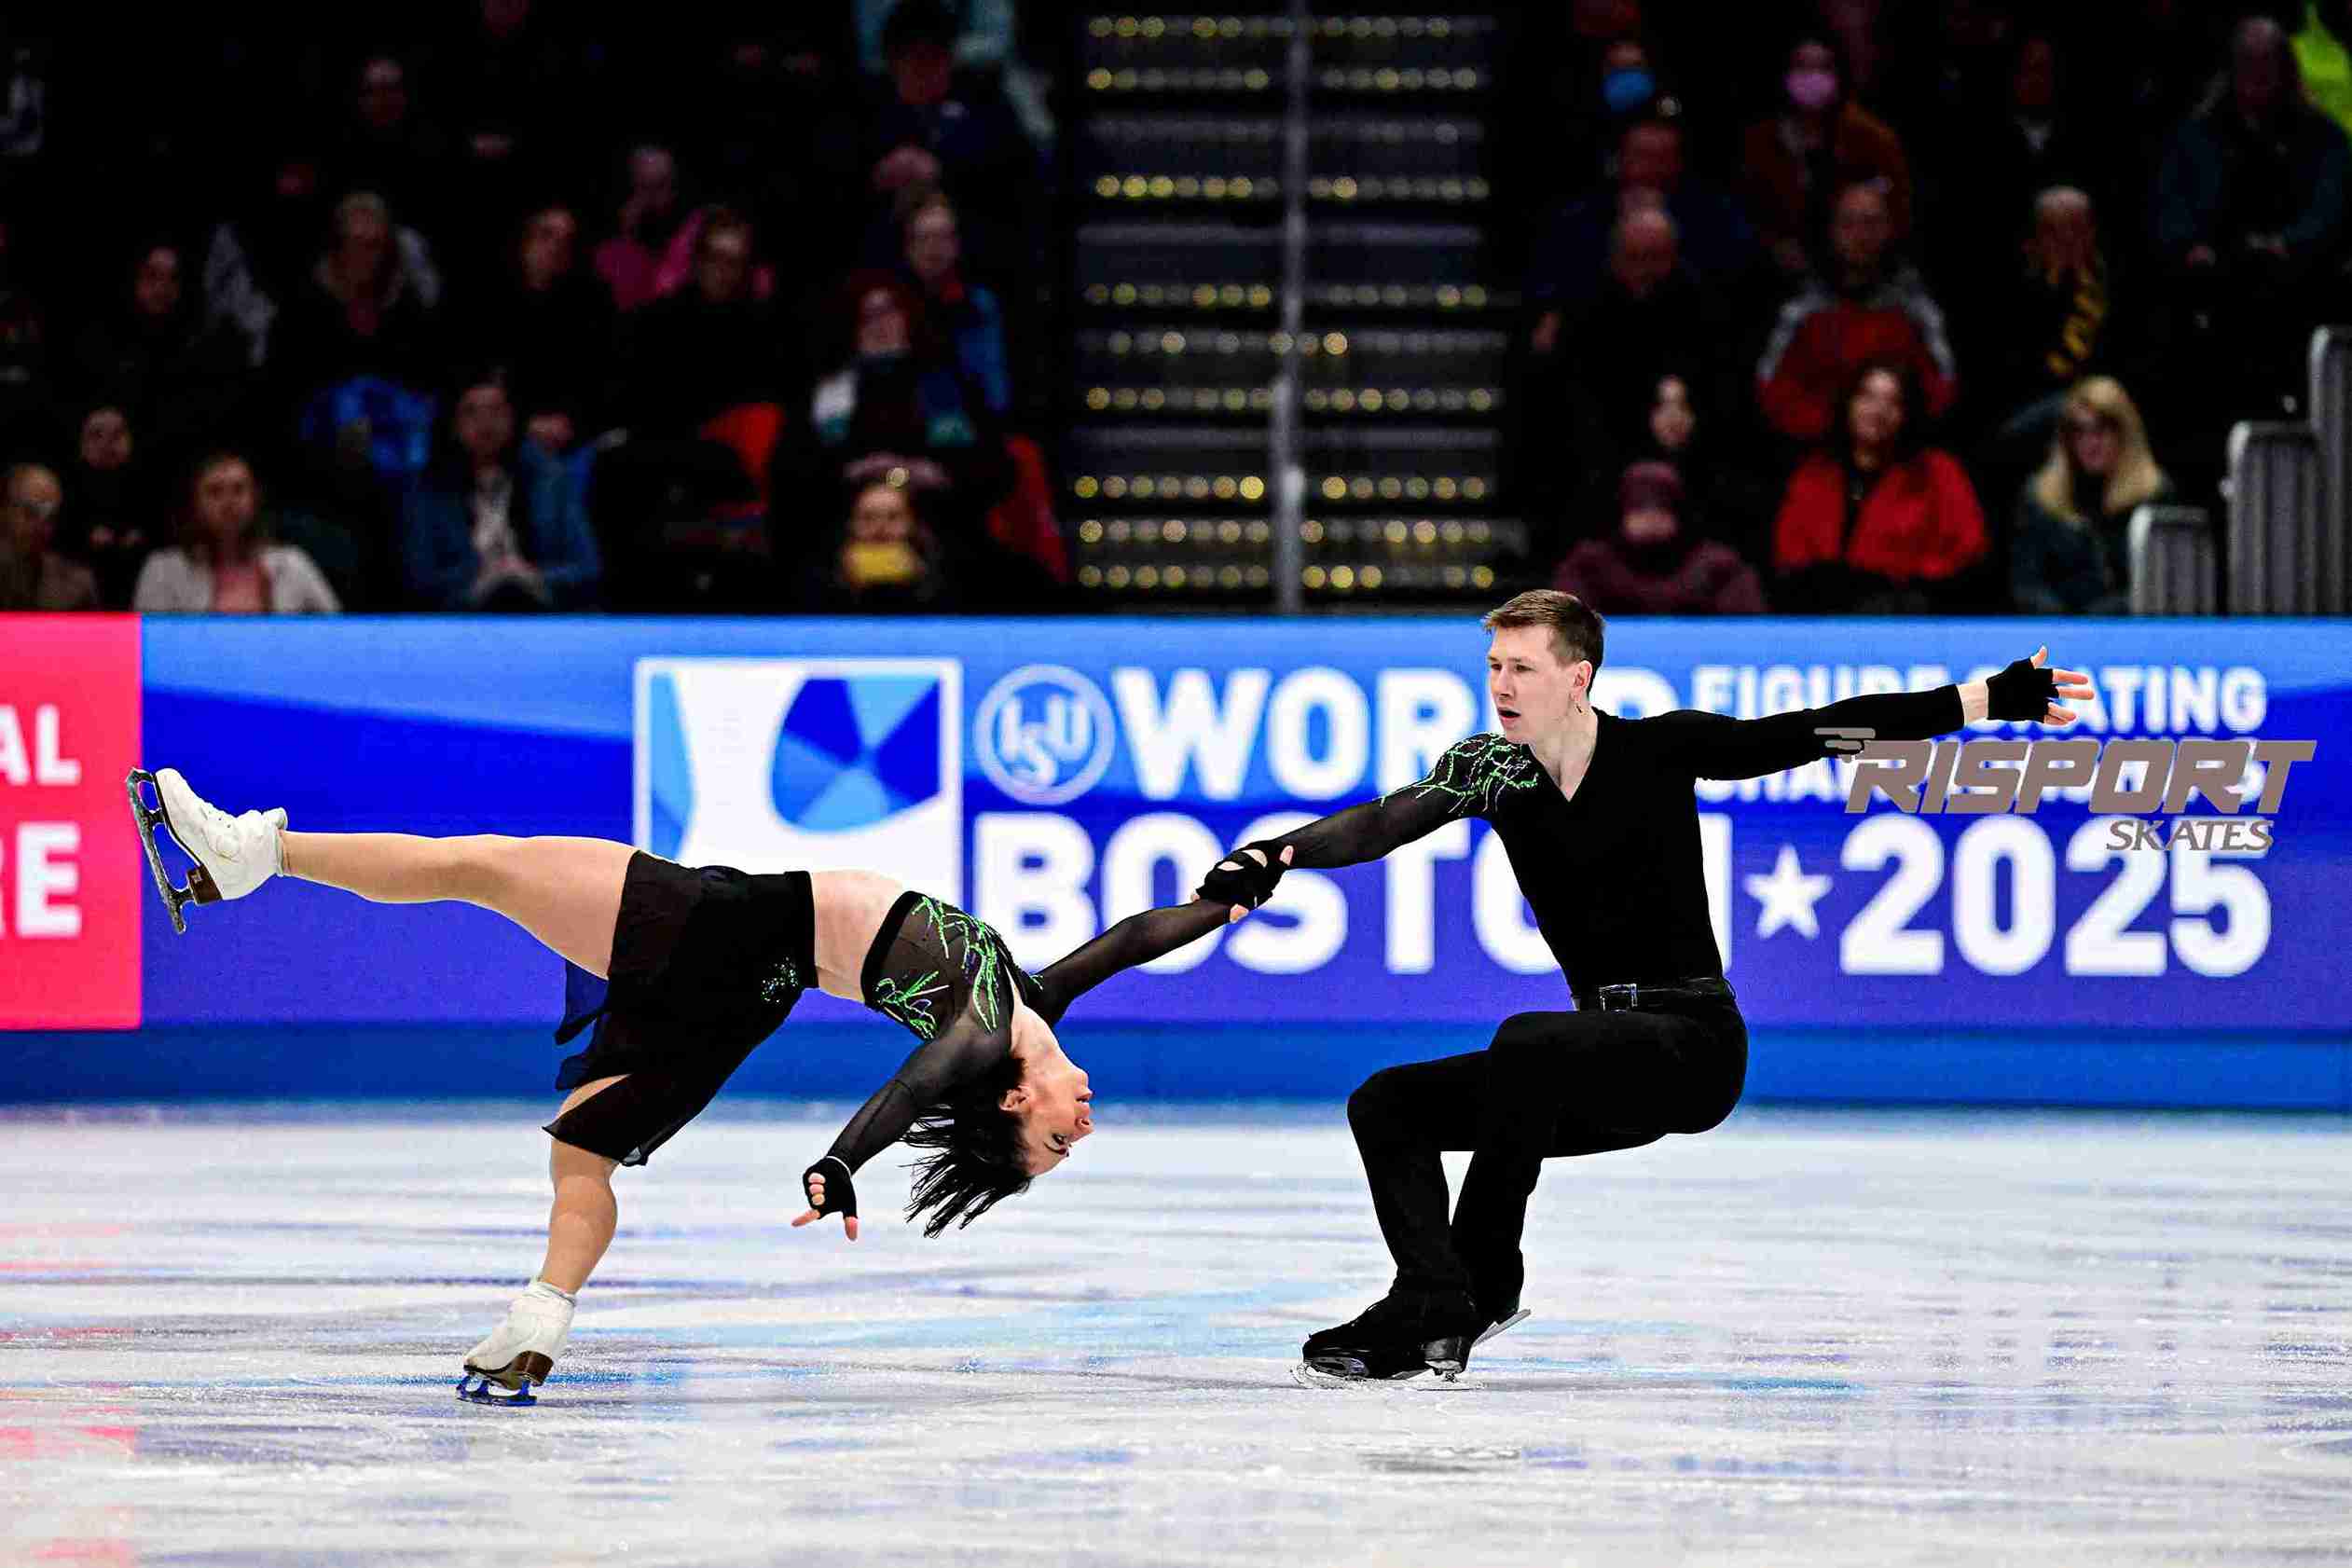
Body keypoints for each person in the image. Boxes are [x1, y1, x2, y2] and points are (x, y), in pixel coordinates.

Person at [126, 764, 1283, 1403]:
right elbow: (1127, 940)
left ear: (1014, 1101)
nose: (1087, 1123)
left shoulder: (982, 1035)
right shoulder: (1028, 999)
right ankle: (543, 1310)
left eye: (1058, 1140)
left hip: (729, 929)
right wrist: (1221, 900)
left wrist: (843, 1159)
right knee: (582, 1151)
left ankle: (259, 851)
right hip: (747, 991)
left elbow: (912, 1082)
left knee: (481, 864)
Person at [1191, 591, 2092, 1381]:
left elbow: (1815, 729)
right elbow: (1382, 823)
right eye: (1494, 666)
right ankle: (1429, 1295)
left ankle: (1476, 1291)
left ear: (1577, 676)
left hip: (1690, 1046)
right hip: (1579, 1068)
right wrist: (1276, 854)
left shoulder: (1660, 749)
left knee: (1529, 1041)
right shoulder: (1492, 773)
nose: (1501, 685)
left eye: (1522, 668)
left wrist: (1987, 698)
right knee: (1387, 1103)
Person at [1771, 359, 1988, 613]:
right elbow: (1789, 555)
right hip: (1819, 614)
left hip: (1908, 614)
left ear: (1908, 413)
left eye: (1893, 402)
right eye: (1867, 397)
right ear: (1849, 403)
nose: (1878, 411)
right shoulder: (1814, 473)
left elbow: (1968, 551)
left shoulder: (1938, 473)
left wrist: (1902, 585)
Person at [401, 373, 600, 611]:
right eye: (471, 412)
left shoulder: (551, 480)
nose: (486, 423)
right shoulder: (429, 488)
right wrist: (483, 579)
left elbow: (587, 568)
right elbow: (420, 579)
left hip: (544, 611)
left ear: (514, 418)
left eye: (497, 411)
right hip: (460, 616)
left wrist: (531, 576)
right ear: (452, 425)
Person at [2010, 376, 2171, 614]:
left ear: (2124, 433)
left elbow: (2162, 585)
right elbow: (2026, 585)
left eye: (2101, 430)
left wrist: (2099, 618)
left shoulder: (2154, 495)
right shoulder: (2041, 498)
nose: (2090, 443)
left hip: (2130, 628)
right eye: (2079, 432)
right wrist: (2067, 623)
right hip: (2058, 628)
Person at [131, 452, 341, 613]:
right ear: (195, 503)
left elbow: (337, 632)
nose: (229, 502)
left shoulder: (292, 564)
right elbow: (147, 645)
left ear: (255, 499)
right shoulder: (163, 570)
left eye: (239, 490)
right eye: (215, 491)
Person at [0, 461, 98, 611]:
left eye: (50, 516)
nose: (41, 524)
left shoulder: (75, 587)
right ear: (4, 510)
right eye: (31, 512)